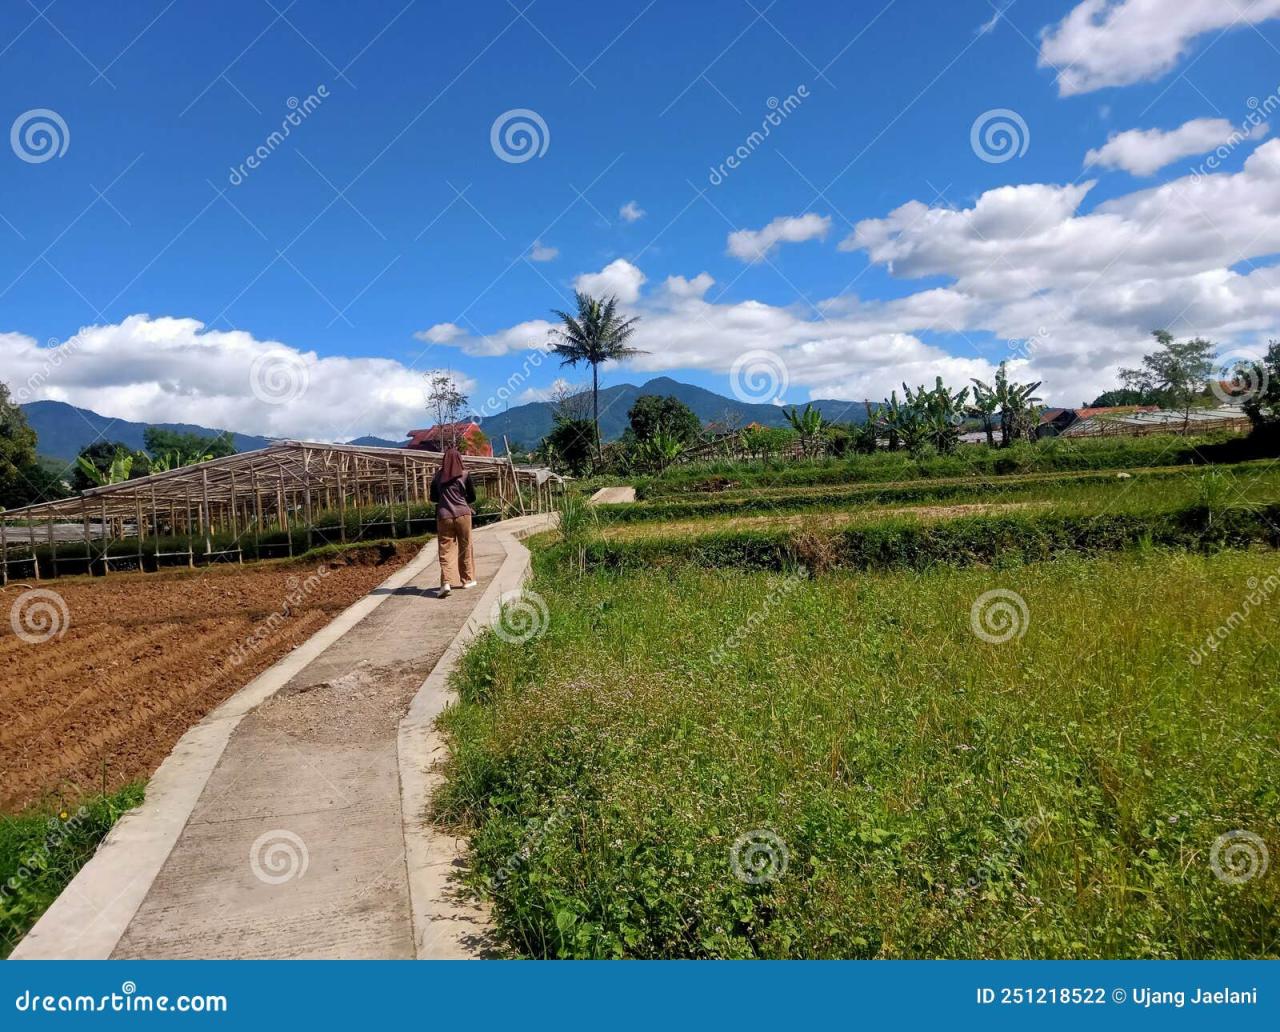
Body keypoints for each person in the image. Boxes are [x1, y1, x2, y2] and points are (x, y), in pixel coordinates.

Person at [429, 446, 477, 597]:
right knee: (465, 546)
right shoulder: (465, 474)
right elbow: (472, 497)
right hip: (463, 515)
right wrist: (462, 500)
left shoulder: (438, 477)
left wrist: (445, 499)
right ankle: (467, 580)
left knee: (445, 550)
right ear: (459, 459)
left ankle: (446, 583)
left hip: (444, 517)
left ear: (445, 460)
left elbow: (433, 498)